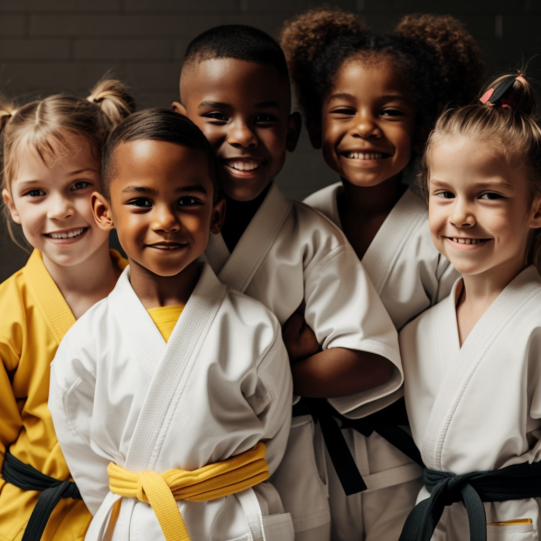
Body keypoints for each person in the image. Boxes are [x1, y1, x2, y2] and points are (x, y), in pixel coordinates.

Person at [172, 24, 402, 541]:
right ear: (179, 122)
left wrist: (259, 377)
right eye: (216, 116)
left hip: (290, 468)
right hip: (182, 471)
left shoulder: (311, 238)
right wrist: (287, 351)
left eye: (265, 119)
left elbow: (368, 356)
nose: (242, 135)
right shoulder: (161, 236)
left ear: (294, 132)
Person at [280, 8, 485, 540]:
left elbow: (460, 363)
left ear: (422, 126)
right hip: (309, 459)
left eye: (389, 111)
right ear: (316, 121)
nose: (364, 127)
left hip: (407, 462)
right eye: (343, 110)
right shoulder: (303, 219)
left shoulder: (443, 235)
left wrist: (311, 365)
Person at [49, 109, 294, 541]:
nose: (166, 220)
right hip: (135, 522)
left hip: (235, 520)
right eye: (141, 202)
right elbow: (84, 457)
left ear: (216, 215)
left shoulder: (254, 327)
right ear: (104, 211)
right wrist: (131, 509)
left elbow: (272, 439)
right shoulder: (86, 342)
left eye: (188, 202)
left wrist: (221, 489)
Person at [399, 73, 541, 541]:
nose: (460, 214)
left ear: (536, 208)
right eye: (445, 193)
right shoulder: (416, 332)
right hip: (436, 520)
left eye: (488, 195)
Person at [0, 79, 134, 541]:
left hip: (133, 519)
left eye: (80, 185)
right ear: (11, 205)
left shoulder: (155, 297)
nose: (60, 210)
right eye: (36, 193)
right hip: (32, 522)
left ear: (116, 190)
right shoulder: (5, 316)